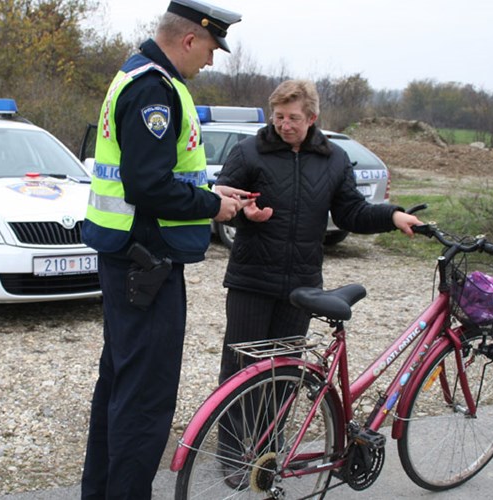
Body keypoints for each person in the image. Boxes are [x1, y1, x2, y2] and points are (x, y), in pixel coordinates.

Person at [213, 79, 422, 487]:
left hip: (301, 286)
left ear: (312, 118)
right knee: (241, 370)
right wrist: (242, 215)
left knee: (284, 374)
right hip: (252, 280)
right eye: (278, 117)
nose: (285, 125)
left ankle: (269, 452)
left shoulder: (334, 159)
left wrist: (393, 216)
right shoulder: (249, 152)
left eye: (293, 118)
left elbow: (351, 213)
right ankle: (232, 454)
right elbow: (223, 203)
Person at [79, 1, 249, 498]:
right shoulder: (155, 88)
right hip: (145, 266)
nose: (213, 61)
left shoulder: (139, 75)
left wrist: (217, 194)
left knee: (119, 386)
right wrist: (212, 208)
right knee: (144, 401)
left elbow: (161, 175)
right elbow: (146, 185)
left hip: (132, 259)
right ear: (190, 39)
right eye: (213, 49)